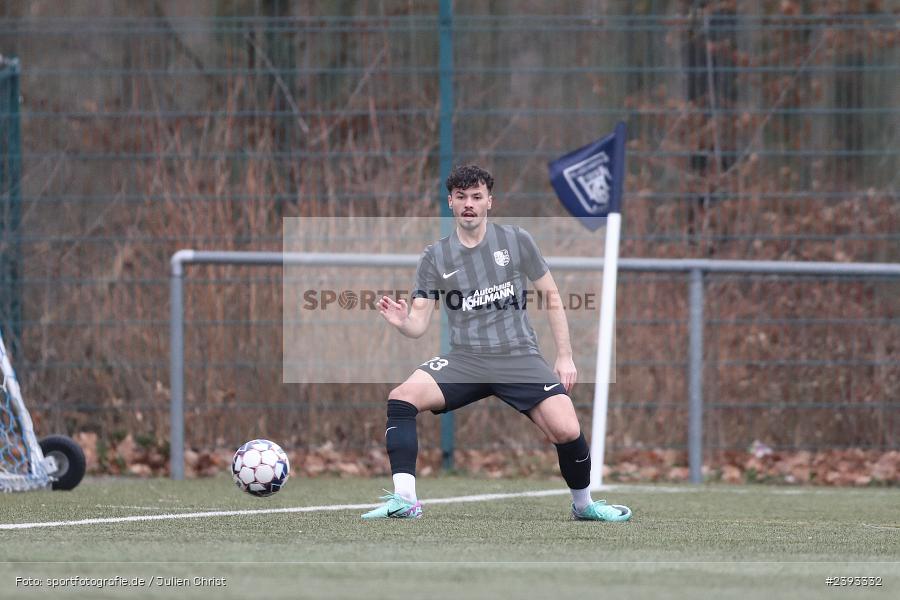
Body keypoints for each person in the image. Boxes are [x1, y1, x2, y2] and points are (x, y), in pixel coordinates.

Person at [361, 164, 631, 522]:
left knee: (566, 429)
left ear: (490, 201)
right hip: (466, 360)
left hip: (519, 357)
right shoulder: (434, 257)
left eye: (476, 196)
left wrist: (565, 355)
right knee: (401, 398)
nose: (469, 204)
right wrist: (403, 322)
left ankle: (584, 506)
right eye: (461, 197)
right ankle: (405, 499)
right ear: (451, 203)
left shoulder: (516, 240)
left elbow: (551, 296)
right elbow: (419, 324)